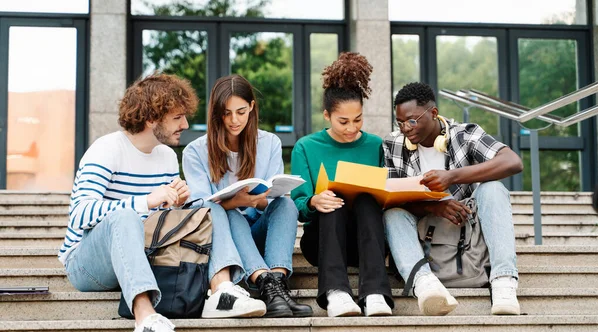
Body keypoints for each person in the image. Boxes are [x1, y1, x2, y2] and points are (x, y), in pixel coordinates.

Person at [59, 74, 264, 332]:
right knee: (125, 217)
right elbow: (80, 215)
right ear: (152, 118)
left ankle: (222, 290)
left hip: (143, 254)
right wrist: (147, 200)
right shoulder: (107, 149)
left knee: (205, 206)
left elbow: (163, 222)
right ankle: (146, 324)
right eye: (178, 117)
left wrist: (177, 203)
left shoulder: (167, 156)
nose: (186, 125)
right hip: (86, 263)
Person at [382, 82, 524, 316]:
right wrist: (434, 207)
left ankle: (503, 281)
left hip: (465, 229)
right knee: (392, 213)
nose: (405, 128)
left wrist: (452, 177)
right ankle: (424, 284)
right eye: (400, 122)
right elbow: (390, 196)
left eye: (412, 120)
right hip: (423, 230)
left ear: (434, 113)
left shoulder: (465, 134)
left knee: (493, 189)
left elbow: (512, 162)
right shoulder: (393, 144)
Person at [183, 74, 313, 318]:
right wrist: (236, 201)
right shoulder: (196, 151)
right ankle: (264, 282)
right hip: (225, 239)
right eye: (226, 113)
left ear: (252, 108)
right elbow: (201, 207)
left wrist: (259, 199)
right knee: (227, 211)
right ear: (215, 113)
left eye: (241, 112)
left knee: (285, 205)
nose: (234, 120)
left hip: (259, 230)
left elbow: (271, 200)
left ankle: (277, 286)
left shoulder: (269, 142)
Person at [291, 52, 394, 318]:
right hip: (322, 242)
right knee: (333, 196)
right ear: (327, 115)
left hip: (367, 240)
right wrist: (314, 201)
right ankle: (336, 293)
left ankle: (375, 294)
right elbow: (297, 205)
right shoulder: (305, 147)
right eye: (343, 121)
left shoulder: (375, 145)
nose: (352, 128)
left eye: (358, 119)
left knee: (365, 198)